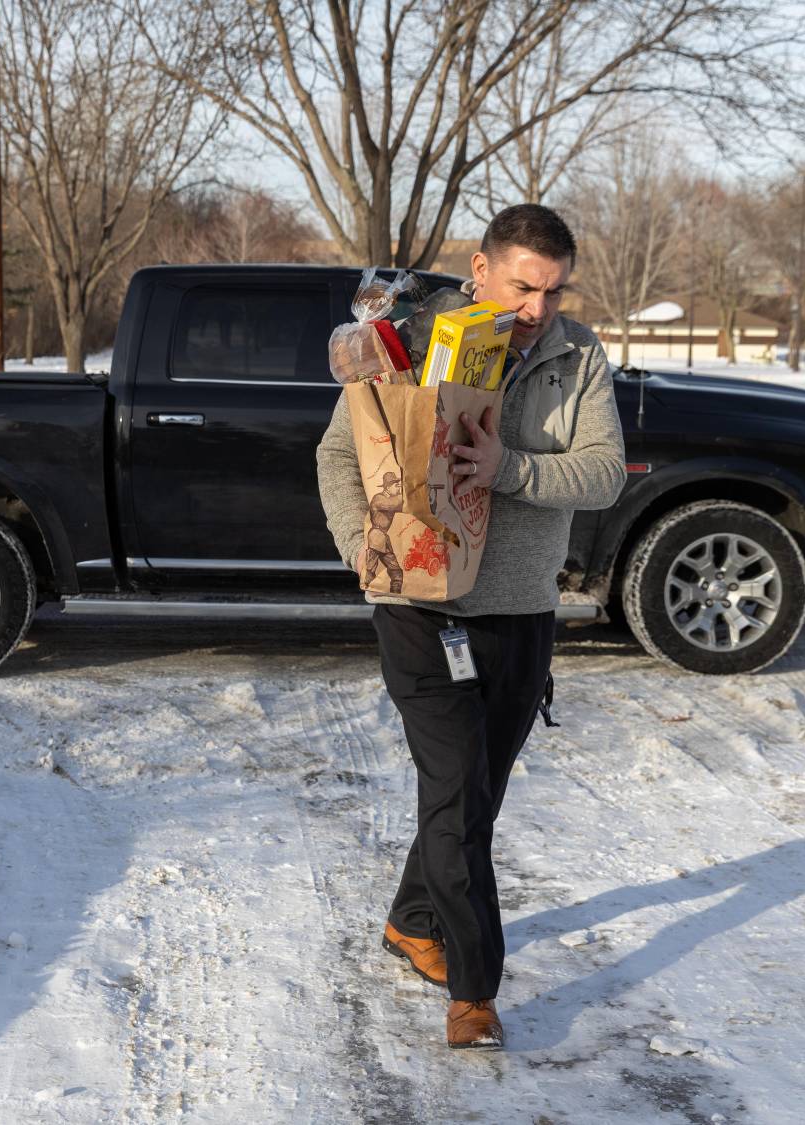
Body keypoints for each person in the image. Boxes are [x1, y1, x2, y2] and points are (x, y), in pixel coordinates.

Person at [314, 204, 627, 1050]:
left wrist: (508, 467)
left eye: (554, 291)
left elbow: (602, 473)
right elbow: (337, 457)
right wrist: (362, 550)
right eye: (524, 286)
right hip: (419, 604)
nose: (538, 309)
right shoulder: (409, 340)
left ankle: (411, 918)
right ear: (479, 272)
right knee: (456, 786)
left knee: (471, 796)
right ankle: (475, 988)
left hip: (520, 610)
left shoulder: (578, 355)